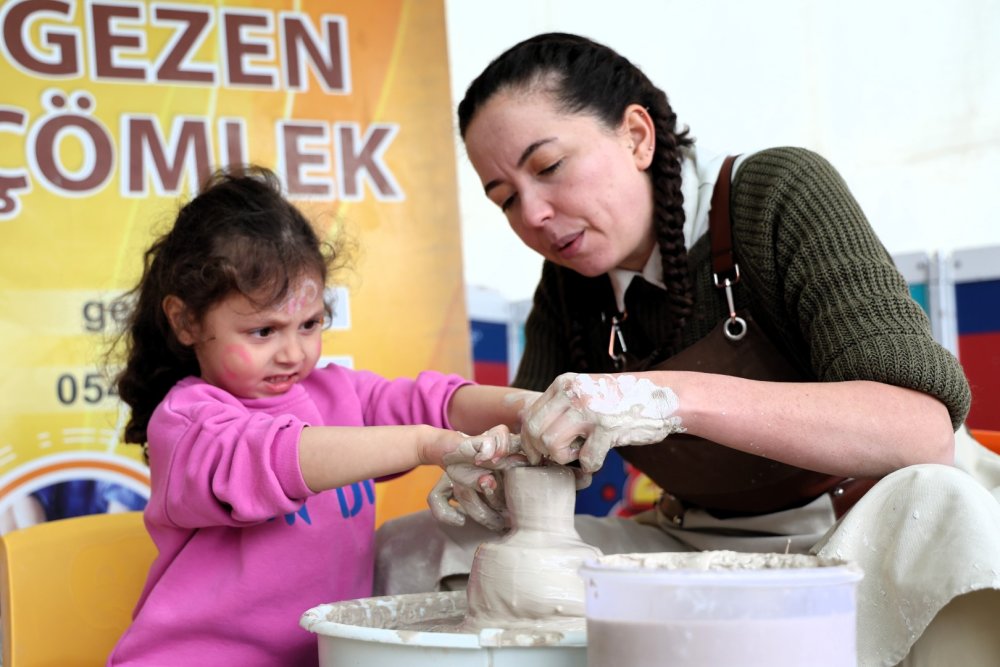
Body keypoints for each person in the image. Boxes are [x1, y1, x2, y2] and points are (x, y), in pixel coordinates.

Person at [374, 33, 1000, 666]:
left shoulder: (774, 193)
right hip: (699, 541)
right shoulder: (568, 288)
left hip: (858, 530)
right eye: (505, 198)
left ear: (637, 136)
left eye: (549, 166)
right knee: (423, 544)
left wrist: (666, 397)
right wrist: (493, 477)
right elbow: (535, 448)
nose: (532, 214)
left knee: (941, 504)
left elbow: (921, 431)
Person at [105, 166, 533, 666]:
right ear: (185, 321)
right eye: (263, 331)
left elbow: (438, 402)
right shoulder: (186, 424)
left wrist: (531, 406)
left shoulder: (337, 394)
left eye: (309, 325)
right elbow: (271, 457)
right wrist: (424, 445)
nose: (293, 353)